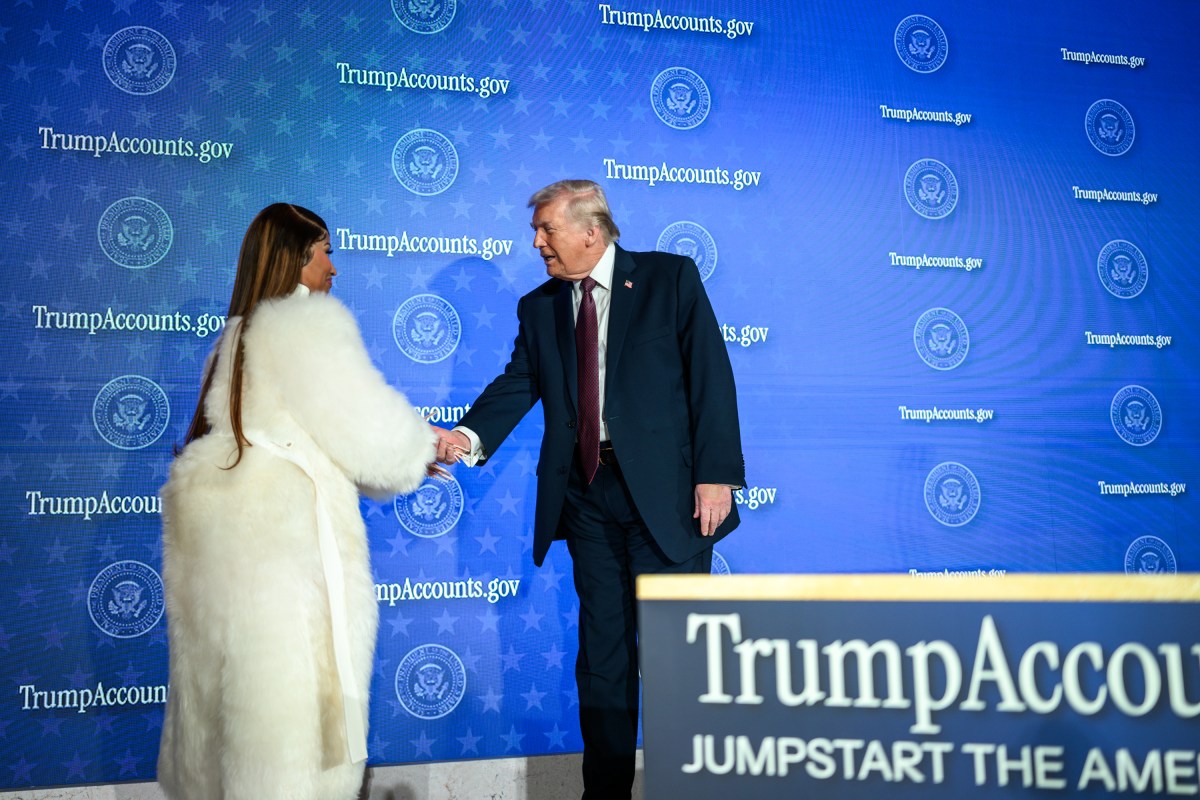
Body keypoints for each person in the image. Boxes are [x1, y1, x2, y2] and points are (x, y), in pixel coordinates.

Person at [433, 179, 745, 799]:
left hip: (669, 499)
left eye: (546, 228)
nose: (537, 242)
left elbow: (711, 375)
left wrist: (716, 475)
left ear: (591, 231)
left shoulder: (669, 279)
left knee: (676, 656)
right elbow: (518, 384)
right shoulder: (539, 306)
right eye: (537, 230)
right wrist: (465, 439)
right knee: (601, 658)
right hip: (587, 501)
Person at [157, 203, 437, 800]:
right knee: (285, 729)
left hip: (227, 543)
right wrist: (424, 446)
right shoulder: (305, 326)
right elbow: (369, 436)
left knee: (230, 713)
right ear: (296, 257)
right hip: (283, 551)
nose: (334, 268)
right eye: (325, 251)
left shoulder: (233, 337)